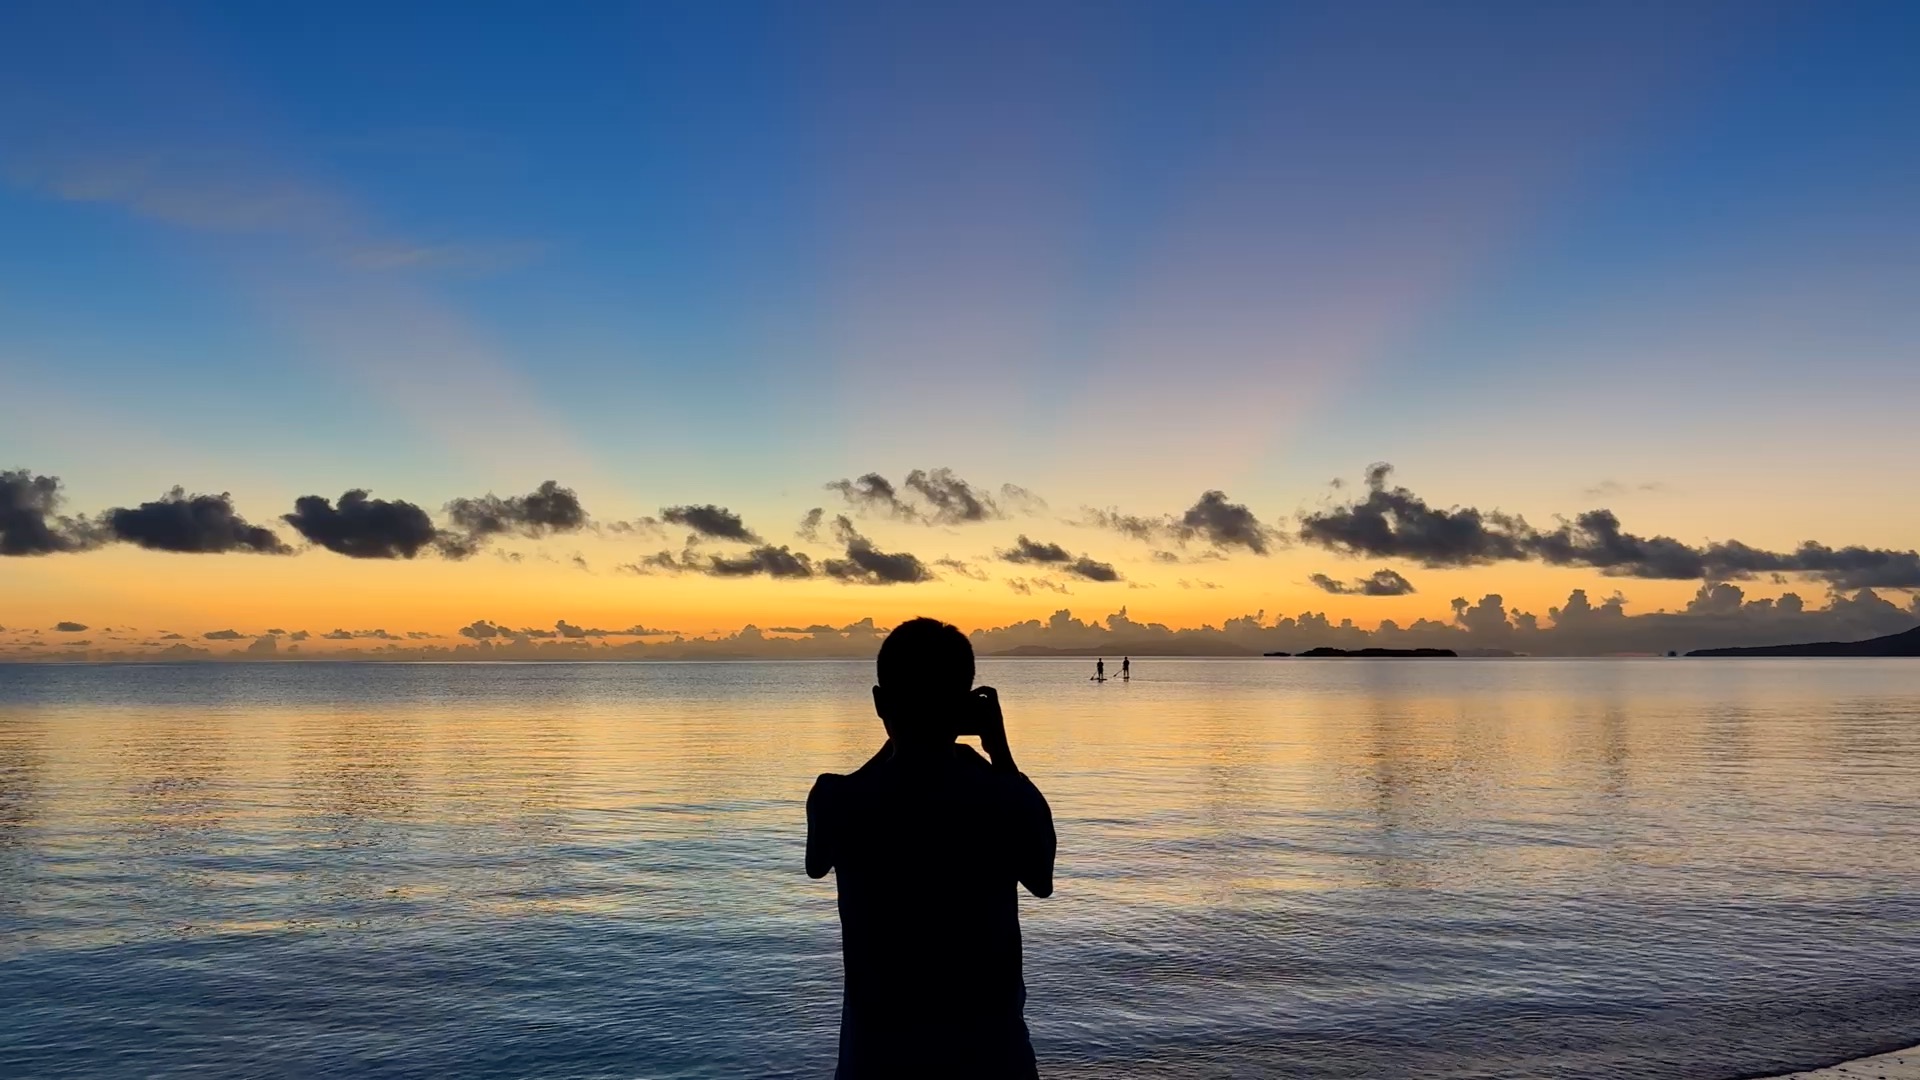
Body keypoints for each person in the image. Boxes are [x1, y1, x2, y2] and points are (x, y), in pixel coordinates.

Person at [807, 617, 1057, 1079]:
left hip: (877, 1060)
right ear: (965, 705)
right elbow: (1041, 878)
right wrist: (999, 751)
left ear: (881, 703)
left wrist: (898, 739)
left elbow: (815, 863)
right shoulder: (999, 795)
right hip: (990, 1057)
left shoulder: (839, 799)